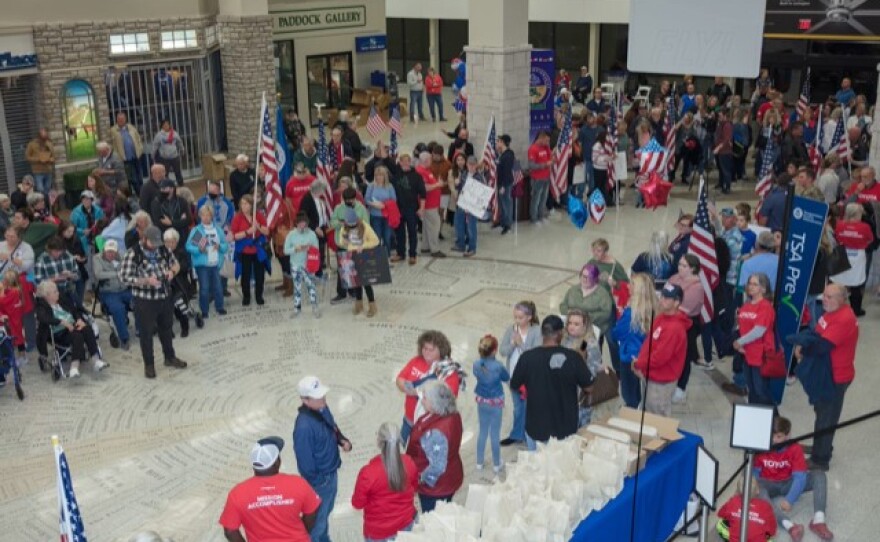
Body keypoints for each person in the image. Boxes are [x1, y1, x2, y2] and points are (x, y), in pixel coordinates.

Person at [795, 283, 858, 471]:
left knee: (826, 417)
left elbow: (823, 345)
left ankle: (820, 459)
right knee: (822, 412)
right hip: (826, 373)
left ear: (842, 299)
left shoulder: (844, 318)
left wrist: (803, 348)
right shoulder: (831, 312)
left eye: (830, 297)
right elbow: (817, 333)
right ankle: (821, 447)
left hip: (836, 377)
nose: (825, 299)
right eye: (825, 294)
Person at [510, 315, 593, 449]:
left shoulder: (527, 358)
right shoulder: (573, 357)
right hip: (565, 430)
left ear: (542, 333)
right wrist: (582, 361)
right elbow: (589, 388)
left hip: (536, 427)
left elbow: (514, 385)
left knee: (536, 467)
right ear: (560, 333)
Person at [219, 436, 320, 542]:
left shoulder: (237, 493)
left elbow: (230, 531)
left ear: (254, 465)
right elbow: (312, 510)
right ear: (277, 462)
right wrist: (303, 533)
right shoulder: (299, 484)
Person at [119, 225, 187, 379]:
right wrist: (146, 281)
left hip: (164, 297)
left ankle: (169, 357)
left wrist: (172, 272)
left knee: (166, 329)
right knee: (146, 333)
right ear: (144, 239)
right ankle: (149, 365)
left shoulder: (163, 249)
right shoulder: (132, 253)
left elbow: (176, 264)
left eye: (158, 243)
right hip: (145, 301)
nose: (155, 247)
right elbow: (124, 277)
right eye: (152, 243)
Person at [754, 416, 834, 541]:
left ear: (788, 435)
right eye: (771, 436)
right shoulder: (762, 447)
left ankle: (819, 521)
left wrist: (790, 499)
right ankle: (790, 526)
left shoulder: (795, 449)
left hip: (789, 482)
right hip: (769, 484)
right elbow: (755, 472)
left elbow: (800, 478)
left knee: (819, 475)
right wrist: (753, 490)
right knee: (755, 488)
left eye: (779, 436)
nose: (774, 440)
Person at [292, 375, 352, 542]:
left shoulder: (321, 408)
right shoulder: (303, 427)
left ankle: (323, 538)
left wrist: (342, 439)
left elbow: (331, 425)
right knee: (317, 520)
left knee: (325, 511)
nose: (323, 398)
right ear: (305, 400)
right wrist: (319, 482)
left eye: (322, 394)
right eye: (318, 396)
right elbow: (305, 463)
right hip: (320, 481)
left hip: (330, 473)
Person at [351, 422, 419, 541]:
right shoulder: (409, 462)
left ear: (379, 442)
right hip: (406, 524)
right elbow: (415, 488)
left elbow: (357, 504)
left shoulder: (368, 473)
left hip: (379, 532)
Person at [632, 283, 691, 417]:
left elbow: (660, 357)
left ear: (677, 302)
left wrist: (638, 363)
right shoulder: (661, 318)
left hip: (661, 381)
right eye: (662, 295)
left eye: (667, 298)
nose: (662, 299)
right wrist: (641, 364)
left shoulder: (674, 328)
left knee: (658, 417)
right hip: (651, 374)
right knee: (649, 413)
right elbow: (649, 344)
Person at [405, 382, 464, 512]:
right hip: (450, 476)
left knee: (433, 516)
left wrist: (419, 479)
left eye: (425, 397)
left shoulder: (437, 433)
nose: (422, 399)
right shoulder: (451, 413)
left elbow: (437, 466)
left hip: (435, 488)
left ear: (435, 402)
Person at [396, 330, 462, 444]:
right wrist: (410, 389)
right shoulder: (416, 361)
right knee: (402, 451)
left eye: (431, 349)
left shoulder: (448, 372)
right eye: (424, 348)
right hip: (409, 420)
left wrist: (416, 392)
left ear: (441, 350)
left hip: (430, 426)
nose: (427, 352)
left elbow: (447, 402)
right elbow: (400, 380)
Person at [34, 280, 106, 378]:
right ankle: (74, 368)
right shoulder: (42, 306)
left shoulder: (61, 301)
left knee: (87, 328)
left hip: (73, 327)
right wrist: (63, 322)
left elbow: (74, 311)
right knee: (77, 335)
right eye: (55, 292)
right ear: (47, 295)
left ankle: (96, 360)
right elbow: (44, 318)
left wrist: (79, 320)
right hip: (59, 333)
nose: (58, 293)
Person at [498, 301, 541, 447]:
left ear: (529, 317)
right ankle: (517, 434)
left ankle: (531, 435)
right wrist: (513, 344)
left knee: (530, 407)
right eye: (515, 317)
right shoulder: (511, 329)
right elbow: (503, 351)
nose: (517, 320)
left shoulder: (536, 331)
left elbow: (536, 354)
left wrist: (520, 343)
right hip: (514, 375)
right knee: (518, 407)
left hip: (530, 377)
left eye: (520, 317)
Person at [613, 273, 657, 408]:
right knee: (641, 388)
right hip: (644, 355)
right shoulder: (652, 309)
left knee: (629, 392)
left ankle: (631, 411)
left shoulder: (631, 314)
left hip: (628, 356)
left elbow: (617, 333)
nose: (628, 286)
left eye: (631, 284)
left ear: (638, 290)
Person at [732, 272, 776, 406]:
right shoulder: (747, 305)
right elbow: (742, 325)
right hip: (748, 354)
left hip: (761, 355)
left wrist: (739, 342)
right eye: (749, 283)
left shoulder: (765, 306)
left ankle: (773, 420)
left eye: (755, 284)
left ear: (763, 288)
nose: (750, 286)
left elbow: (759, 331)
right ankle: (754, 415)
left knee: (761, 390)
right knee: (752, 389)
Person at [666, 254, 704, 404]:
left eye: (684, 266)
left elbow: (685, 308)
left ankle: (681, 388)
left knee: (685, 356)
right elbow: (665, 293)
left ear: (693, 268)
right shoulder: (675, 278)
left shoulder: (697, 287)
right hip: (669, 319)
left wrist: (666, 304)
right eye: (680, 264)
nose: (679, 268)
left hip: (687, 324)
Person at [472, 334, 509, 473]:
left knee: (482, 431)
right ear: (494, 351)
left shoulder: (476, 364)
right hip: (496, 402)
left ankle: (479, 462)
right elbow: (506, 377)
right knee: (494, 433)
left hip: (482, 400)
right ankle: (496, 463)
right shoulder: (498, 366)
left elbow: (477, 374)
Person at [561, 309, 605, 427]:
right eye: (570, 323)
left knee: (580, 424)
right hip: (565, 389)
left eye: (576, 324)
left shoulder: (588, 343)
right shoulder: (565, 339)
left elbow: (592, 371)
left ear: (585, 326)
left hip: (582, 393)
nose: (571, 327)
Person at [830, 203, 874, 316]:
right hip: (857, 257)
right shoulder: (865, 227)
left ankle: (835, 306)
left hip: (842, 255)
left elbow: (836, 238)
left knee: (839, 281)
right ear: (856, 214)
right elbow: (870, 240)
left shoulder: (839, 225)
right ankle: (856, 310)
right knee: (856, 284)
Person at [186, 204, 228, 319]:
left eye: (208, 215)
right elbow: (188, 246)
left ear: (211, 216)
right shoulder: (197, 230)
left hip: (215, 264)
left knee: (218, 287)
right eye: (203, 215)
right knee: (204, 288)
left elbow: (225, 246)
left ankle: (220, 307)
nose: (206, 217)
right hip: (202, 265)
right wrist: (199, 249)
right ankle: (204, 310)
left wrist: (220, 246)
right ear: (200, 216)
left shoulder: (218, 229)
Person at [336, 207, 380, 317]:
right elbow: (341, 241)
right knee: (355, 282)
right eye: (349, 224)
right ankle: (358, 303)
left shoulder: (364, 226)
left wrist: (363, 246)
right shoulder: (344, 228)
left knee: (366, 283)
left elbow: (375, 241)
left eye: (353, 224)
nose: (351, 226)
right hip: (351, 257)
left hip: (363, 257)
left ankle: (372, 305)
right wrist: (344, 242)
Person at [92, 239, 133, 351]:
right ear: (104, 250)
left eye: (113, 252)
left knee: (140, 300)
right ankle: (124, 338)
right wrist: (117, 274)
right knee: (118, 308)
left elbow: (129, 270)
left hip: (124, 289)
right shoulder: (97, 258)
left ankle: (142, 330)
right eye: (108, 252)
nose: (111, 254)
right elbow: (99, 274)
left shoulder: (122, 256)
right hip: (108, 292)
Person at [231, 194, 270, 306]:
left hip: (258, 249)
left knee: (259, 275)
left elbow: (267, 232)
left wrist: (258, 227)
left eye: (246, 203)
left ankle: (259, 296)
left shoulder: (258, 215)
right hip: (245, 250)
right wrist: (248, 231)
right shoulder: (237, 217)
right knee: (246, 275)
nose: (244, 206)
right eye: (242, 204)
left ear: (251, 204)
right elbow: (234, 236)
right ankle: (246, 296)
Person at [559, 263, 614, 338]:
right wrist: (570, 314)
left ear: (595, 278)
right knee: (568, 346)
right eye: (583, 276)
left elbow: (606, 313)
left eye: (589, 277)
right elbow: (563, 305)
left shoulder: (602, 294)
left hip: (590, 332)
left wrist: (585, 318)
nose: (585, 279)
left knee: (583, 348)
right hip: (571, 330)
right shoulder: (573, 290)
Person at [390, 154, 426, 265]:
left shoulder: (416, 176)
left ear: (410, 162)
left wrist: (422, 208)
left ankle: (412, 255)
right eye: (403, 161)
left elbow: (423, 194)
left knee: (412, 232)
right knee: (399, 233)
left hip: (412, 209)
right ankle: (400, 253)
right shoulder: (395, 175)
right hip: (398, 209)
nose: (405, 163)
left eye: (407, 161)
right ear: (399, 162)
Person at [284, 212, 320, 318]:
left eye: (304, 223)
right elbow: (286, 250)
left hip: (308, 265)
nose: (302, 225)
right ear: (297, 223)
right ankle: (296, 308)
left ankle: (315, 307)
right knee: (297, 287)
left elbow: (317, 250)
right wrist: (296, 248)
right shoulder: (291, 234)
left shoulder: (312, 234)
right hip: (295, 265)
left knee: (311, 286)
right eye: (300, 223)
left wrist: (309, 249)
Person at [452, 156, 484, 256]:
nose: (471, 167)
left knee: (471, 227)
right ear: (467, 164)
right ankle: (460, 244)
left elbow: (479, 193)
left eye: (473, 165)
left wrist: (471, 206)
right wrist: (457, 184)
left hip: (471, 206)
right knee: (458, 224)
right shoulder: (464, 174)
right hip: (462, 203)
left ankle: (472, 248)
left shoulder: (479, 177)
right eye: (469, 164)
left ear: (476, 165)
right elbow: (460, 187)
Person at [415, 151, 445, 258]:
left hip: (431, 204)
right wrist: (438, 184)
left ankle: (425, 247)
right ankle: (435, 249)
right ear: (426, 160)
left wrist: (436, 183)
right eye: (431, 159)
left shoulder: (426, 170)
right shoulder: (420, 171)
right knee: (434, 226)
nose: (432, 161)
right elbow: (424, 188)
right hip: (428, 205)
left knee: (427, 226)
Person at [109, 112, 145, 194]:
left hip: (136, 156)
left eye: (122, 119)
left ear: (125, 119)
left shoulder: (131, 127)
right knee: (132, 177)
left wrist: (140, 149)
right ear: (116, 120)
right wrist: (117, 156)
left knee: (140, 175)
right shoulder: (113, 130)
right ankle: (138, 193)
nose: (121, 121)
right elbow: (111, 145)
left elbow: (138, 139)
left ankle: (141, 192)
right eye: (119, 119)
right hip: (125, 159)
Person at [365, 165, 397, 252]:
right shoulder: (371, 186)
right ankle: (378, 257)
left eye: (381, 175)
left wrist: (384, 205)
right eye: (377, 175)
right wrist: (373, 204)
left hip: (387, 216)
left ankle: (387, 256)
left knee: (387, 237)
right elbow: (366, 199)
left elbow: (394, 200)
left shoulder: (389, 186)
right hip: (375, 215)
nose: (379, 177)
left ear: (384, 176)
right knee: (377, 237)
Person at [528, 131, 553, 224]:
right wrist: (545, 165)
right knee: (536, 198)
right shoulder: (532, 149)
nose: (547, 142)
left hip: (546, 176)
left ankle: (541, 216)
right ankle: (534, 218)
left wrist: (549, 149)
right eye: (546, 140)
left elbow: (550, 158)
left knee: (544, 198)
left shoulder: (546, 147)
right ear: (541, 138)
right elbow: (532, 165)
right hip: (537, 178)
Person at [152, 119, 185, 185]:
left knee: (178, 172)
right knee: (165, 174)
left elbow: (179, 142)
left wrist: (182, 150)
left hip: (174, 157)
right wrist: (153, 155)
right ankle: (166, 186)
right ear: (162, 126)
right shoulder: (159, 135)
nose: (166, 126)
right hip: (164, 158)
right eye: (164, 124)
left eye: (167, 124)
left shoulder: (174, 133)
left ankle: (181, 185)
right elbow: (155, 145)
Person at [25, 128, 55, 194]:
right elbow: (27, 157)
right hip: (38, 171)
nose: (44, 140)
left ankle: (46, 203)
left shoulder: (49, 143)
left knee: (48, 189)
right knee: (40, 189)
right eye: (42, 138)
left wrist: (50, 159)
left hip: (48, 170)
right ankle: (40, 203)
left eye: (45, 137)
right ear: (39, 137)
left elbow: (53, 156)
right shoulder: (32, 144)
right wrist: (38, 159)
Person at [495, 134, 514, 234]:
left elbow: (506, 172)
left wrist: (502, 186)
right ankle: (502, 221)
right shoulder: (502, 154)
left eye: (498, 141)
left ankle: (508, 224)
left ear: (502, 142)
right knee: (501, 204)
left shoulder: (508, 156)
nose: (497, 143)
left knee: (506, 204)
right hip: (501, 183)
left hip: (505, 184)